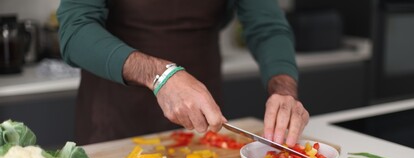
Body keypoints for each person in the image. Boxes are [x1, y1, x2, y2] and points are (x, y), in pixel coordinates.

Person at [57, 0, 309, 146]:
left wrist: (284, 91)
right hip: (115, 119)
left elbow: (267, 26)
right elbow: (75, 31)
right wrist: (160, 75)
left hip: (201, 122)